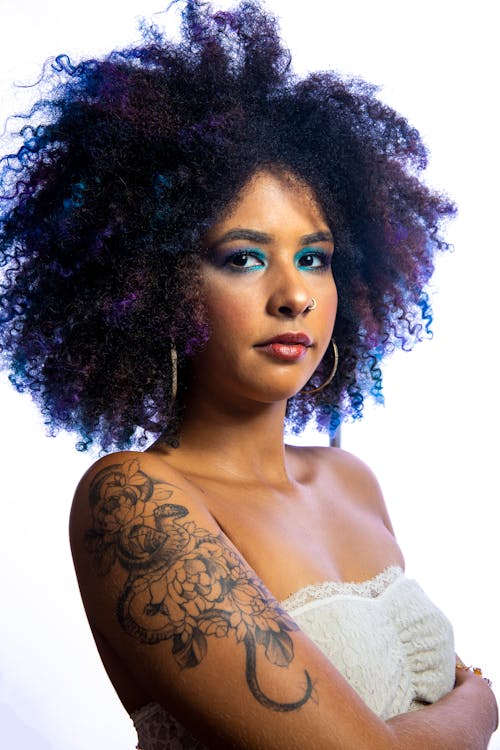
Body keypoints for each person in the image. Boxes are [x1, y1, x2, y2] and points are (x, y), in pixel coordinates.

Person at [0, 1, 497, 748]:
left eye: (315, 257)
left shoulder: (351, 480)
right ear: (156, 284)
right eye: (243, 257)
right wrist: (482, 707)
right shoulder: (134, 499)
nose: (294, 294)